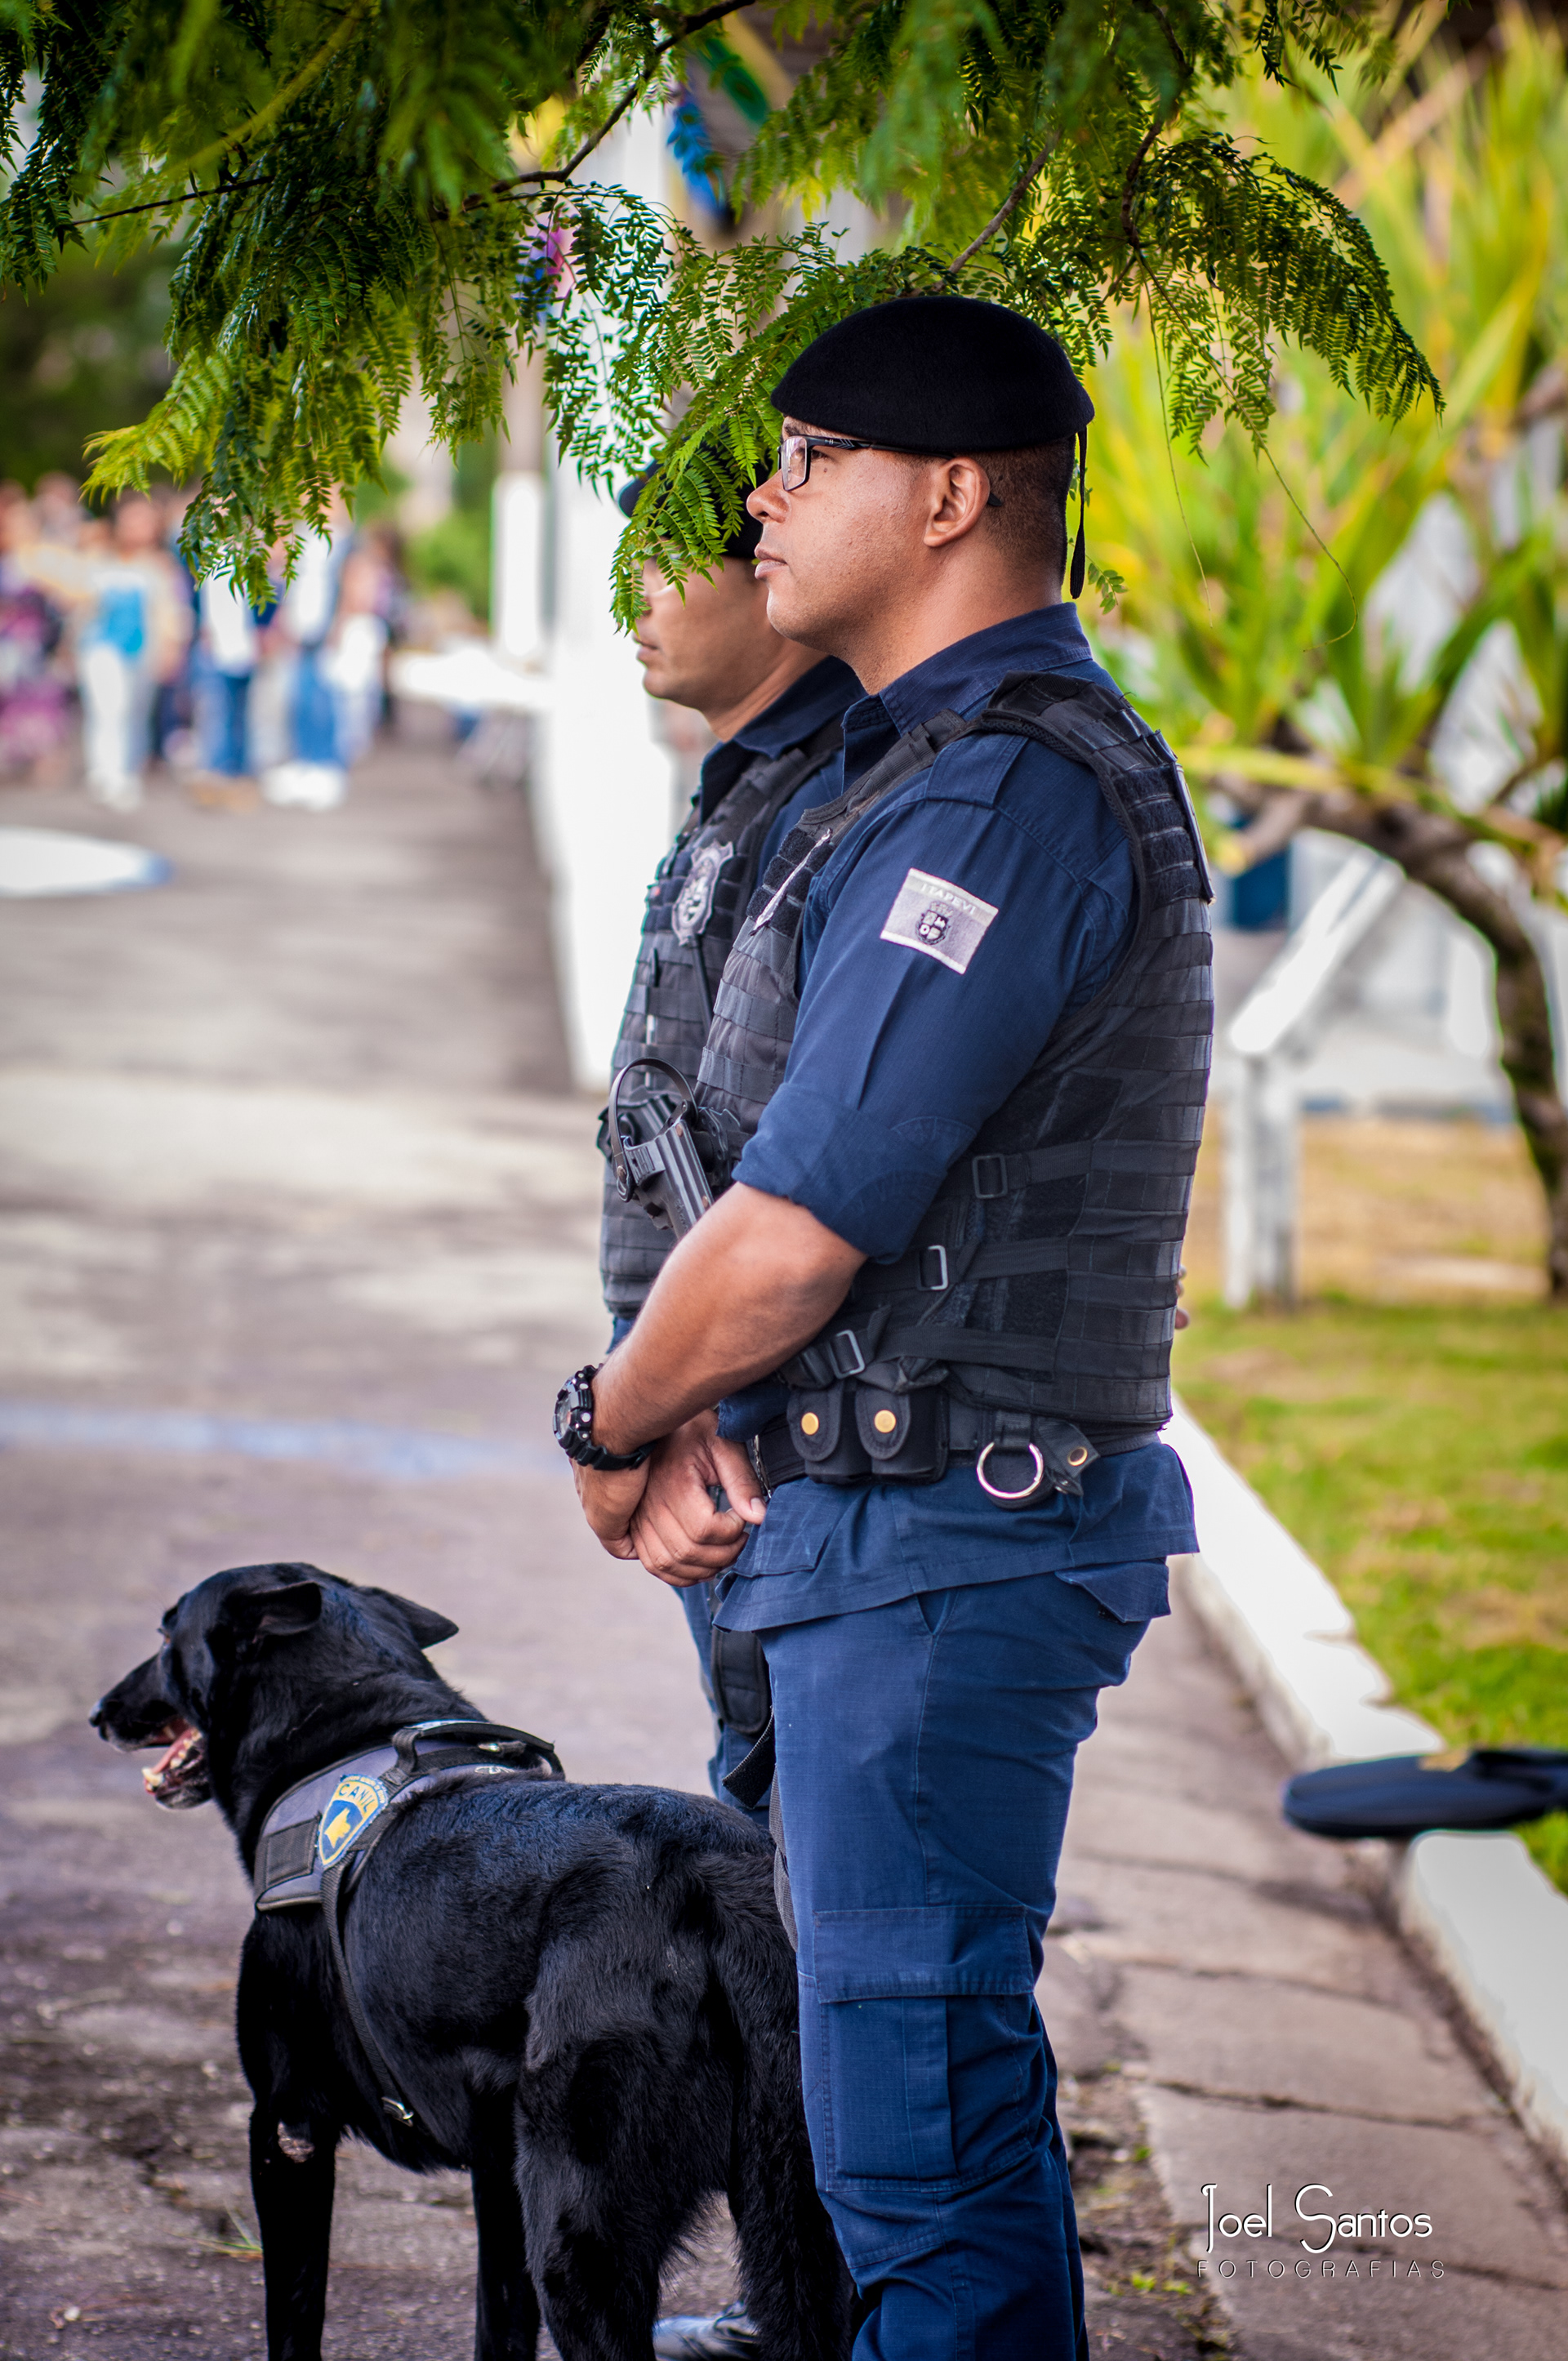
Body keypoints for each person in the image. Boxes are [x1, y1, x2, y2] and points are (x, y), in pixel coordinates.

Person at [555, 296, 1213, 2361]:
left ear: (942, 494)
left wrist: (610, 1420)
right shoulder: (907, 771)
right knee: (880, 2121)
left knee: (919, 2139)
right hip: (874, 1545)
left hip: (949, 1555)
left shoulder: (997, 799)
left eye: (808, 452)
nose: (767, 492)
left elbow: (796, 1228)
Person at [603, 464, 858, 1830]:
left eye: (658, 561)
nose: (628, 601)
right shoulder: (742, 783)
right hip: (710, 1428)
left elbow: (789, 1177)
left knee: (819, 1904)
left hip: (778, 1447)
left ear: (767, 572)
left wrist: (640, 1413)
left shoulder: (842, 794)